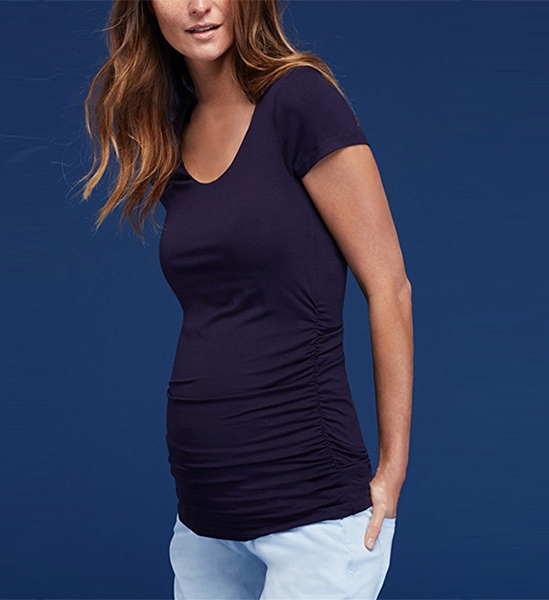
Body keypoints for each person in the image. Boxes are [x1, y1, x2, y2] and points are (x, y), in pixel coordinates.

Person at [80, 1, 413, 598]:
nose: (199, 6)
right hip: (204, 519)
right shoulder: (175, 128)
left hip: (311, 513)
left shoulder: (299, 100)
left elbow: (389, 286)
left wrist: (392, 472)